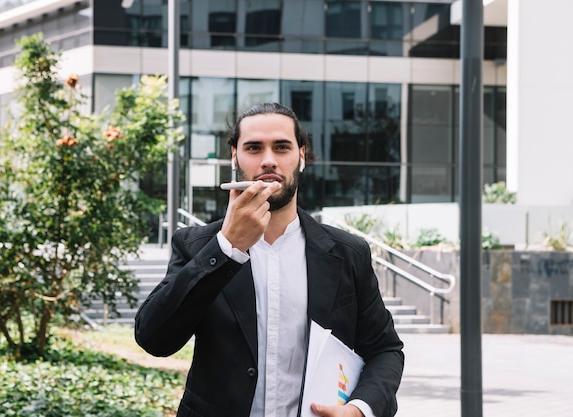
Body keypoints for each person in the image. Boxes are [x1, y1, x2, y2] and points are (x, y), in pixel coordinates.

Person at [134, 102, 404, 417]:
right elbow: (154, 339)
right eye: (253, 148)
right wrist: (227, 247)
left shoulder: (348, 253)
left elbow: (385, 350)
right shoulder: (196, 246)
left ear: (301, 155)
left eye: (281, 147)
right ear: (234, 157)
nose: (268, 160)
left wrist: (360, 409)